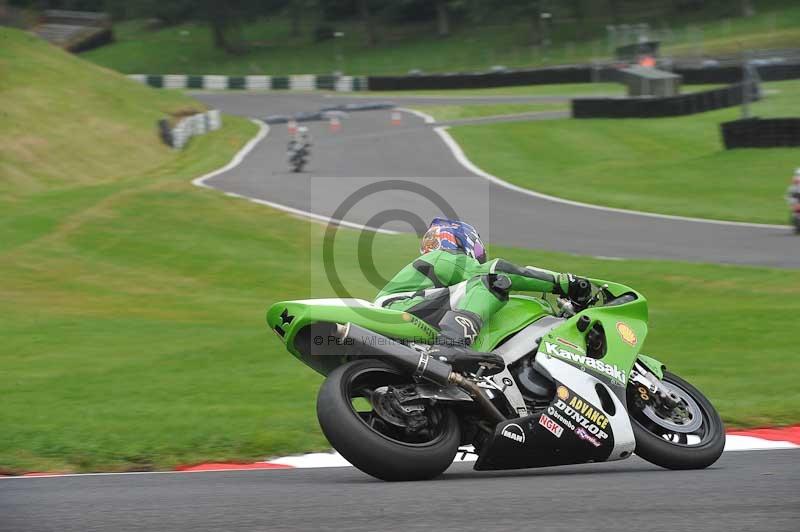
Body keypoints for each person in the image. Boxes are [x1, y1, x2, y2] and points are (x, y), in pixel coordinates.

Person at [374, 218, 593, 374]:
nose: (479, 257)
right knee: (491, 282)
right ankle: (450, 344)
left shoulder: (431, 273)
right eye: (478, 252)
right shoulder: (445, 258)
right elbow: (495, 271)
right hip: (401, 311)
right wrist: (562, 281)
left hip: (404, 316)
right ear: (461, 242)